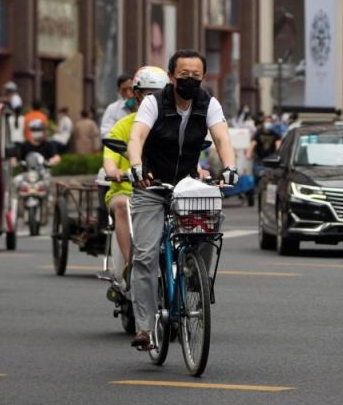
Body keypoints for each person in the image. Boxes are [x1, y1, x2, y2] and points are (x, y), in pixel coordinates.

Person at [124, 49, 239, 351]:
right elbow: (136, 137)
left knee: (210, 228)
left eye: (196, 76)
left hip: (187, 186)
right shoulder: (153, 102)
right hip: (151, 184)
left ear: (203, 78)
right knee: (145, 255)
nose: (190, 80)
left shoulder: (208, 103)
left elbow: (223, 138)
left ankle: (194, 280)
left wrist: (229, 167)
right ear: (172, 77)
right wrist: (136, 167)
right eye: (184, 75)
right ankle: (145, 328)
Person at [100, 65, 169, 284]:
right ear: (137, 94)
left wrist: (198, 168)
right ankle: (132, 268)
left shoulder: (173, 125)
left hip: (164, 191)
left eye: (160, 94)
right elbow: (110, 155)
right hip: (127, 190)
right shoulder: (123, 126)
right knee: (122, 205)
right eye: (149, 94)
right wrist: (113, 171)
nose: (155, 99)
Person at [100, 73, 135, 137]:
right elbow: (106, 132)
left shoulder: (144, 106)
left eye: (131, 89)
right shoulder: (112, 109)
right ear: (119, 91)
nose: (128, 94)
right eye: (124, 90)